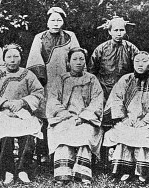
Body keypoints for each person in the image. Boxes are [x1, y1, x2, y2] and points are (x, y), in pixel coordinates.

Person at [103, 51, 149, 182]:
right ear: (133, 63)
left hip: (146, 123)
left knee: (141, 137)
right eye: (137, 61)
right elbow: (116, 100)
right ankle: (124, 170)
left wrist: (145, 121)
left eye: (144, 61)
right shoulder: (125, 80)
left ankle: (142, 172)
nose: (140, 64)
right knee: (124, 134)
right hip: (126, 120)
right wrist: (124, 118)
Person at [0, 44, 44, 185]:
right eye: (9, 57)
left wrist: (22, 102)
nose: (12, 60)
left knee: (29, 132)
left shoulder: (28, 74)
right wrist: (5, 104)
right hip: (2, 113)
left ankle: (23, 169)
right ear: (4, 59)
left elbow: (38, 93)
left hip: (23, 112)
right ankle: (8, 170)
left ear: (20, 58)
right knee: (4, 132)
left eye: (16, 56)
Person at [26, 6, 80, 161]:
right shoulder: (39, 37)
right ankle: (43, 152)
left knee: (65, 113)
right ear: (47, 21)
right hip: (46, 82)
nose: (55, 23)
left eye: (59, 20)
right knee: (45, 115)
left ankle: (65, 151)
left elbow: (76, 57)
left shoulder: (70, 36)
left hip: (66, 82)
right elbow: (34, 60)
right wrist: (40, 81)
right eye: (52, 20)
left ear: (63, 21)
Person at [46, 47, 104, 187]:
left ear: (85, 61)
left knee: (85, 133)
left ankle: (82, 173)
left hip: (86, 120)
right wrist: (66, 115)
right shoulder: (61, 79)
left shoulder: (91, 79)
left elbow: (97, 101)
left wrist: (83, 117)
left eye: (81, 59)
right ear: (68, 62)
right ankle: (63, 173)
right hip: (64, 118)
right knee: (62, 133)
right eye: (75, 59)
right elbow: (53, 100)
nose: (78, 62)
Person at [88, 16, 139, 101]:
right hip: (104, 90)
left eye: (121, 30)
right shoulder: (101, 49)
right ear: (109, 31)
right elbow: (91, 70)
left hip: (126, 89)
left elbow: (139, 68)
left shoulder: (131, 48)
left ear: (125, 31)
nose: (119, 33)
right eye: (115, 30)